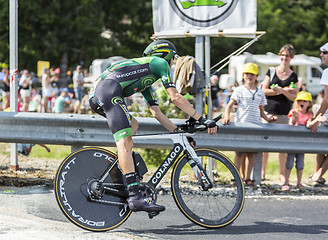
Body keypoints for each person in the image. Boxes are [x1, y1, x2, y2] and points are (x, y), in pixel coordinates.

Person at [89, 40, 217, 213]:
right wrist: (202, 119)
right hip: (107, 91)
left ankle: (120, 173)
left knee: (133, 125)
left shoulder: (145, 77)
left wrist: (177, 132)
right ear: (167, 56)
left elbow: (156, 112)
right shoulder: (159, 63)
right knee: (125, 143)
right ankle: (135, 196)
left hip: (101, 93)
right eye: (173, 59)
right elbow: (175, 97)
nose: (172, 64)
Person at [222, 63, 276, 186]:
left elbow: (261, 110)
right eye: (247, 74)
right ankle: (237, 177)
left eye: (252, 74)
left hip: (255, 126)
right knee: (239, 153)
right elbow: (229, 105)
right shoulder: (239, 90)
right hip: (241, 125)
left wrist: (268, 119)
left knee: (251, 153)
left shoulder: (260, 92)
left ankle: (248, 178)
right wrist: (226, 116)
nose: (249, 76)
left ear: (256, 76)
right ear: (243, 75)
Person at [261, 44, 299, 182]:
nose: (284, 58)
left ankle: (282, 174)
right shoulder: (271, 71)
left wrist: (281, 91)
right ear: (279, 55)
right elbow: (264, 90)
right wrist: (282, 90)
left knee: (282, 147)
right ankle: (262, 173)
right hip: (269, 112)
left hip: (285, 113)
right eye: (282, 55)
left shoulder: (294, 76)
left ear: (292, 57)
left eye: (287, 56)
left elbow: (295, 96)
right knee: (265, 144)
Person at [281, 91, 314, 190]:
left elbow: (309, 124)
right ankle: (286, 182)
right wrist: (295, 117)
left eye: (304, 101)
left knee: (300, 164)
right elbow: (292, 124)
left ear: (309, 103)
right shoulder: (294, 111)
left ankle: (299, 182)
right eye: (299, 101)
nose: (301, 103)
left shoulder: (309, 114)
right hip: (292, 141)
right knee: (289, 163)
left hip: (302, 143)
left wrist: (315, 121)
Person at [308, 42, 328, 184]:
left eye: (324, 52)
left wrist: (315, 118)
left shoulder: (327, 72)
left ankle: (317, 175)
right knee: (321, 148)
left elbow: (327, 99)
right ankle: (317, 176)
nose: (321, 55)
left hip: (326, 117)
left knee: (321, 147)